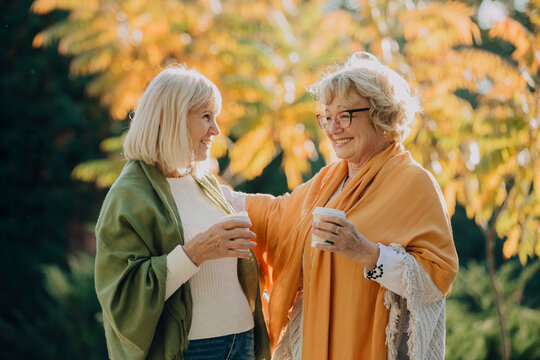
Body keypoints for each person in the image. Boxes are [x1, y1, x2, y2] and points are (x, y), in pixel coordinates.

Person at [222, 52, 459, 360]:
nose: (333, 129)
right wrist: (204, 190)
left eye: (345, 115)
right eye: (327, 117)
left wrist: (366, 252)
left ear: (380, 114)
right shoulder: (329, 179)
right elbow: (276, 216)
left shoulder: (414, 182)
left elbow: (436, 278)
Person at [94, 66, 270, 360]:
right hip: (193, 350)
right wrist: (194, 253)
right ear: (173, 119)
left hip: (243, 340)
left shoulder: (205, 181)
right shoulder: (128, 195)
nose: (216, 130)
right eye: (205, 117)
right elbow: (122, 294)